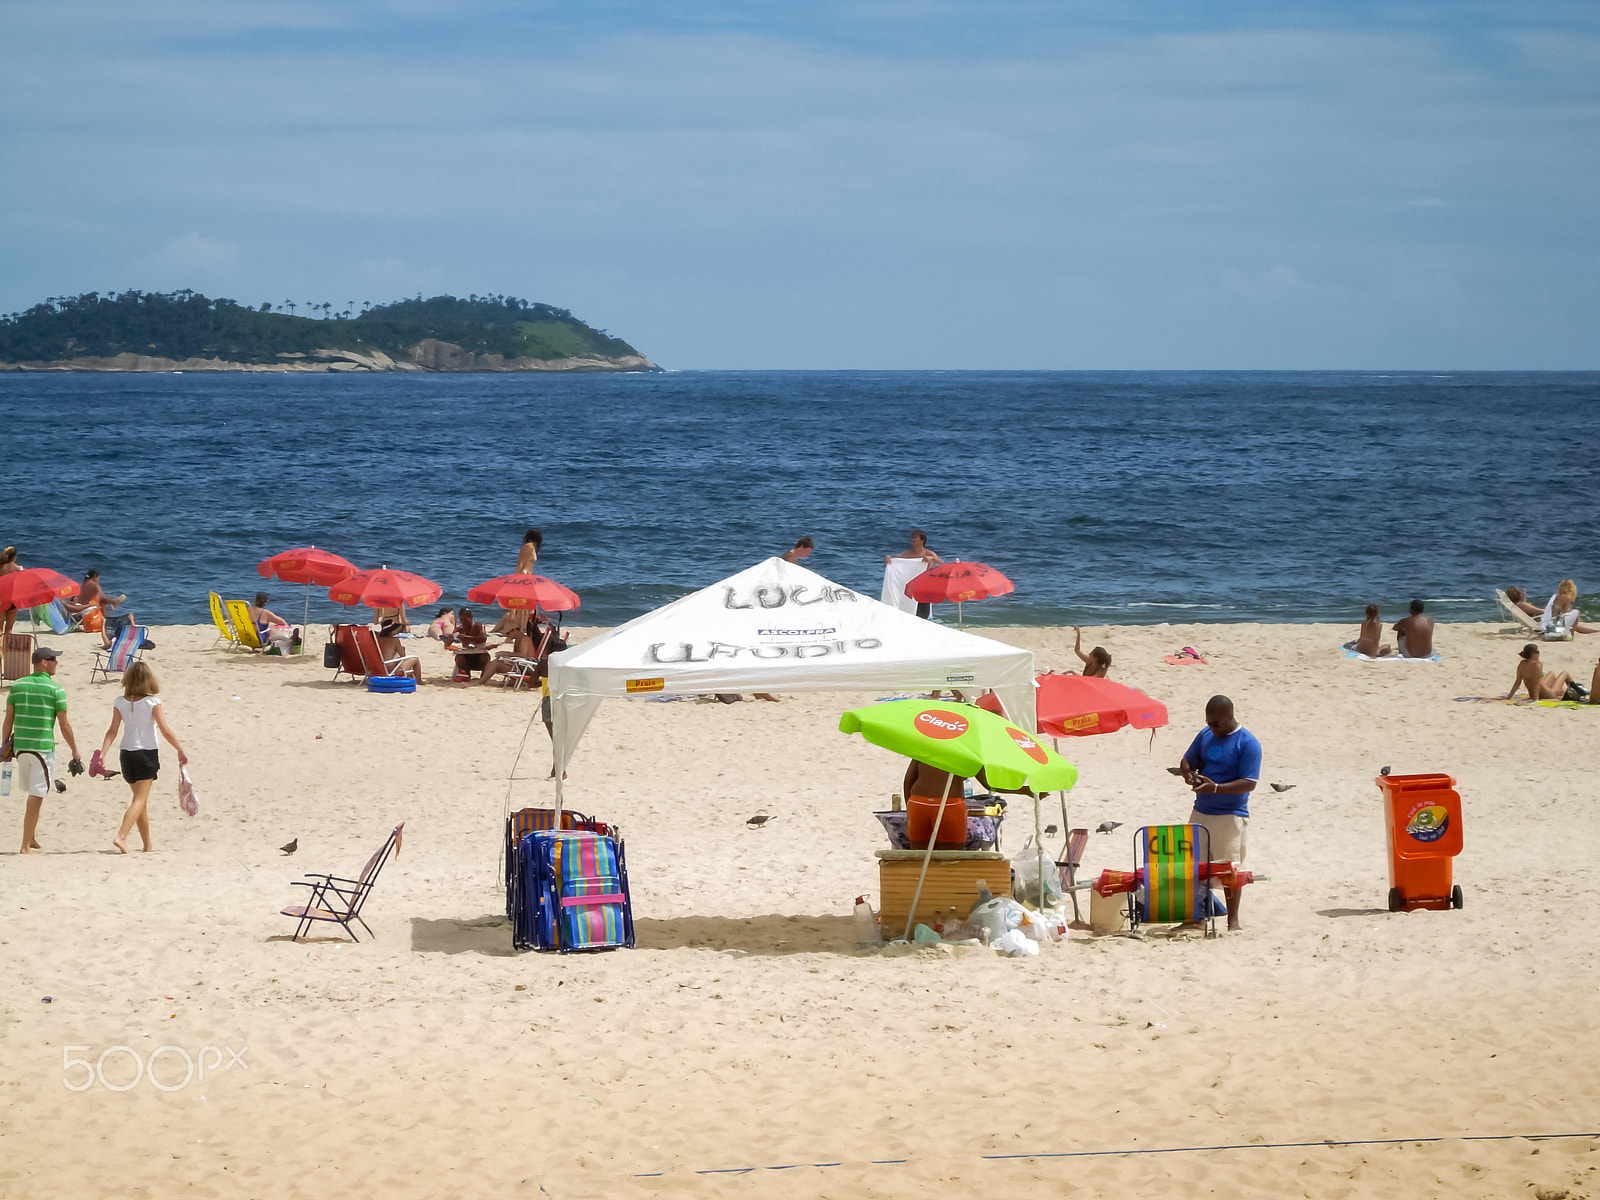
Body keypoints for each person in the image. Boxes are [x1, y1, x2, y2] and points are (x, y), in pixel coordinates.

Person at [1176, 695, 1261, 932]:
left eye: (1216, 724)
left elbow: (1249, 782)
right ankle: (1196, 917)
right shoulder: (1206, 734)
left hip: (1230, 812)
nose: (1212, 728)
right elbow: (1187, 759)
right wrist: (1188, 773)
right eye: (1209, 723)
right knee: (1193, 864)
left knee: (1228, 867)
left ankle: (1233, 921)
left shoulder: (1248, 743)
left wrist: (1215, 788)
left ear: (1229, 717)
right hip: (1201, 810)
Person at [99, 661, 188, 854]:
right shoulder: (152, 702)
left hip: (126, 754)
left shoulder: (119, 702)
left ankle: (147, 845)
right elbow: (165, 730)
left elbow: (112, 731)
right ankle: (121, 836)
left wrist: (103, 753)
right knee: (139, 800)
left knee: (140, 801)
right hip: (146, 753)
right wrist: (179, 749)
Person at [3, 646, 81, 854]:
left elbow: (8, 718)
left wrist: (4, 747)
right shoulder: (56, 689)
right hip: (41, 749)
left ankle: (32, 837)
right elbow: (64, 725)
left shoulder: (18, 686)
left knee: (34, 792)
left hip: (20, 749)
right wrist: (75, 750)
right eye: (53, 659)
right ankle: (24, 845)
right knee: (37, 796)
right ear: (43, 662)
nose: (57, 662)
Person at [901, 759, 969, 849]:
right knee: (950, 857)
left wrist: (909, 808)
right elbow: (985, 779)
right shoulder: (963, 748)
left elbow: (908, 780)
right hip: (949, 803)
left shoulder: (926, 746)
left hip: (918, 802)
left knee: (919, 856)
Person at [885, 530, 944, 618]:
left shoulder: (928, 554)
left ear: (922, 540)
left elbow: (942, 564)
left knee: (922, 616)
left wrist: (931, 558)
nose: (912, 539)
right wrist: (889, 558)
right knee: (909, 613)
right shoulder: (907, 554)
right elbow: (894, 561)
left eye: (915, 537)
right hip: (910, 588)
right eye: (912, 537)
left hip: (924, 588)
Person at [1505, 644, 1576, 701]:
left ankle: (1561, 691)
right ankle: (1577, 692)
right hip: (1549, 694)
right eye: (1537, 652)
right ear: (1532, 654)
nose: (1539, 653)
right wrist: (1536, 699)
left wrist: (1509, 697)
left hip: (1537, 693)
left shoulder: (1522, 664)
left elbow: (1517, 682)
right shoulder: (1538, 665)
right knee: (1565, 673)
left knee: (1551, 674)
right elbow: (1536, 684)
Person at [448, 607, 489, 680]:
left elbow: (483, 638)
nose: (463, 622)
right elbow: (447, 644)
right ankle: (466, 675)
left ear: (471, 618)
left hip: (479, 656)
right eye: (461, 619)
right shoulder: (460, 629)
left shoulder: (478, 626)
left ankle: (483, 678)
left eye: (465, 619)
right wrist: (449, 638)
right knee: (459, 657)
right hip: (467, 657)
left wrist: (466, 637)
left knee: (485, 657)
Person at [0, 546, 20, 635]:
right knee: (9, 627)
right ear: (14, 557)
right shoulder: (18, 569)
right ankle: (5, 648)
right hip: (13, 599)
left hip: (1, 598)